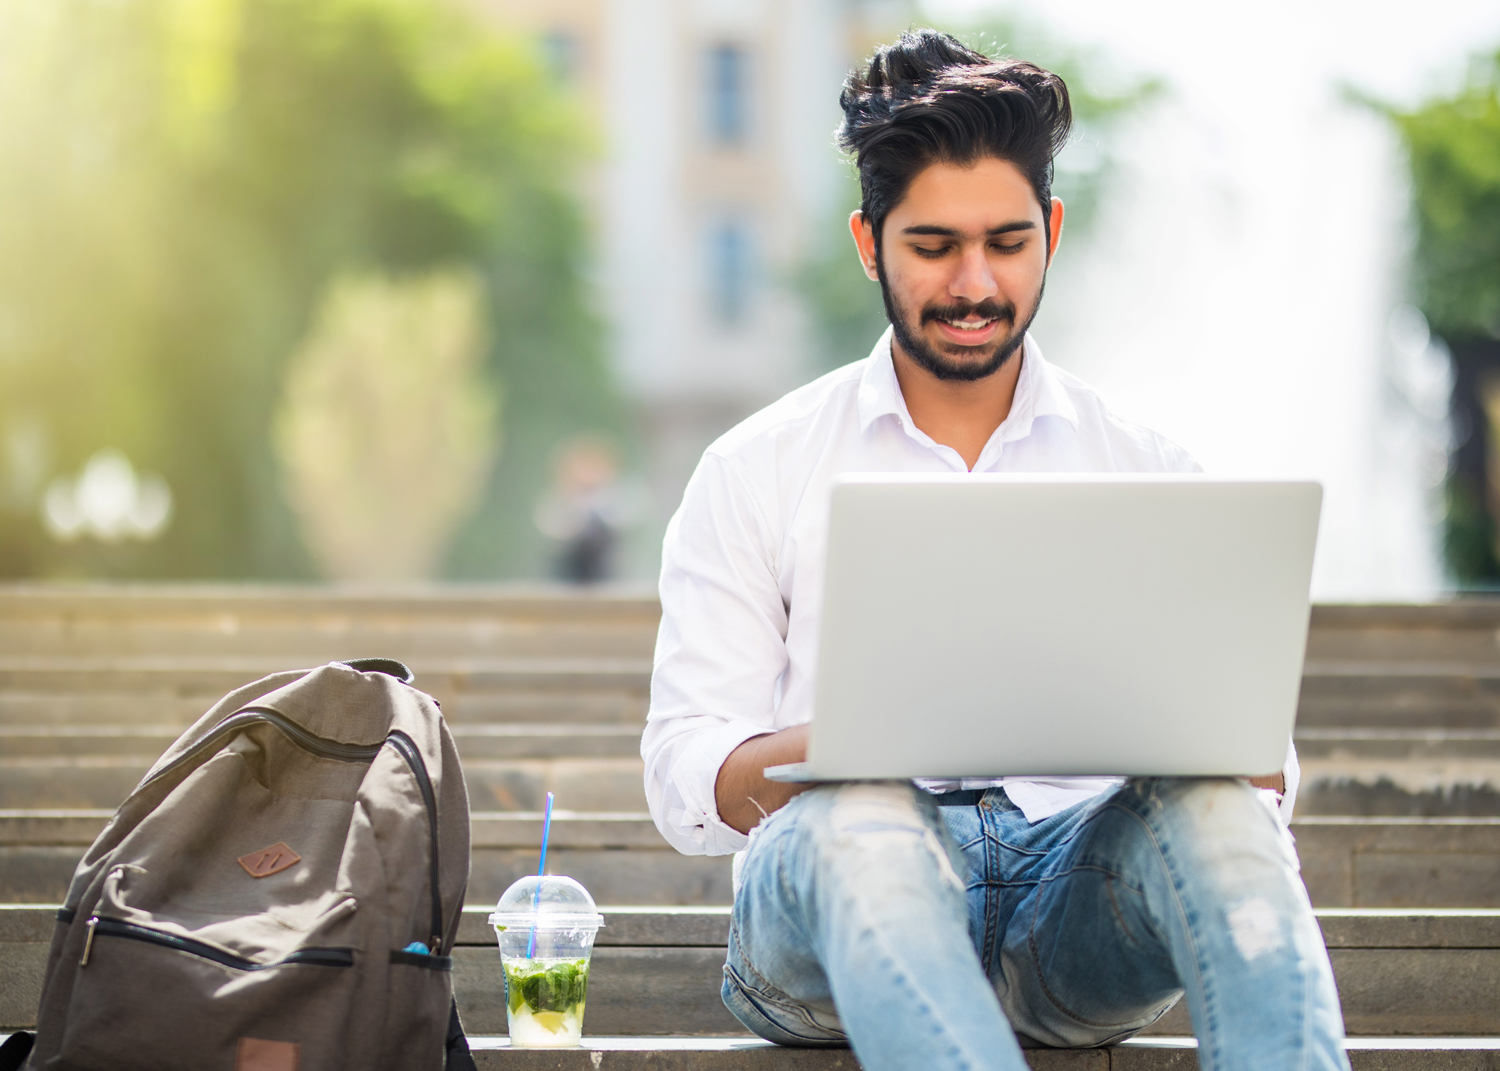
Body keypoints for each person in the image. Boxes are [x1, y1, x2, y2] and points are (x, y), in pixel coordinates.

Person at [641, 30, 1348, 1071]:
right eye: (934, 247)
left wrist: (1212, 740)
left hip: (1069, 913)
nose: (975, 283)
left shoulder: (1145, 465)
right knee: (864, 820)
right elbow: (682, 776)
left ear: (1051, 232)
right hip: (835, 911)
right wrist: (831, 749)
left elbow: (1264, 765)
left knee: (1218, 811)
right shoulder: (757, 467)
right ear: (869, 242)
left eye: (1007, 243)